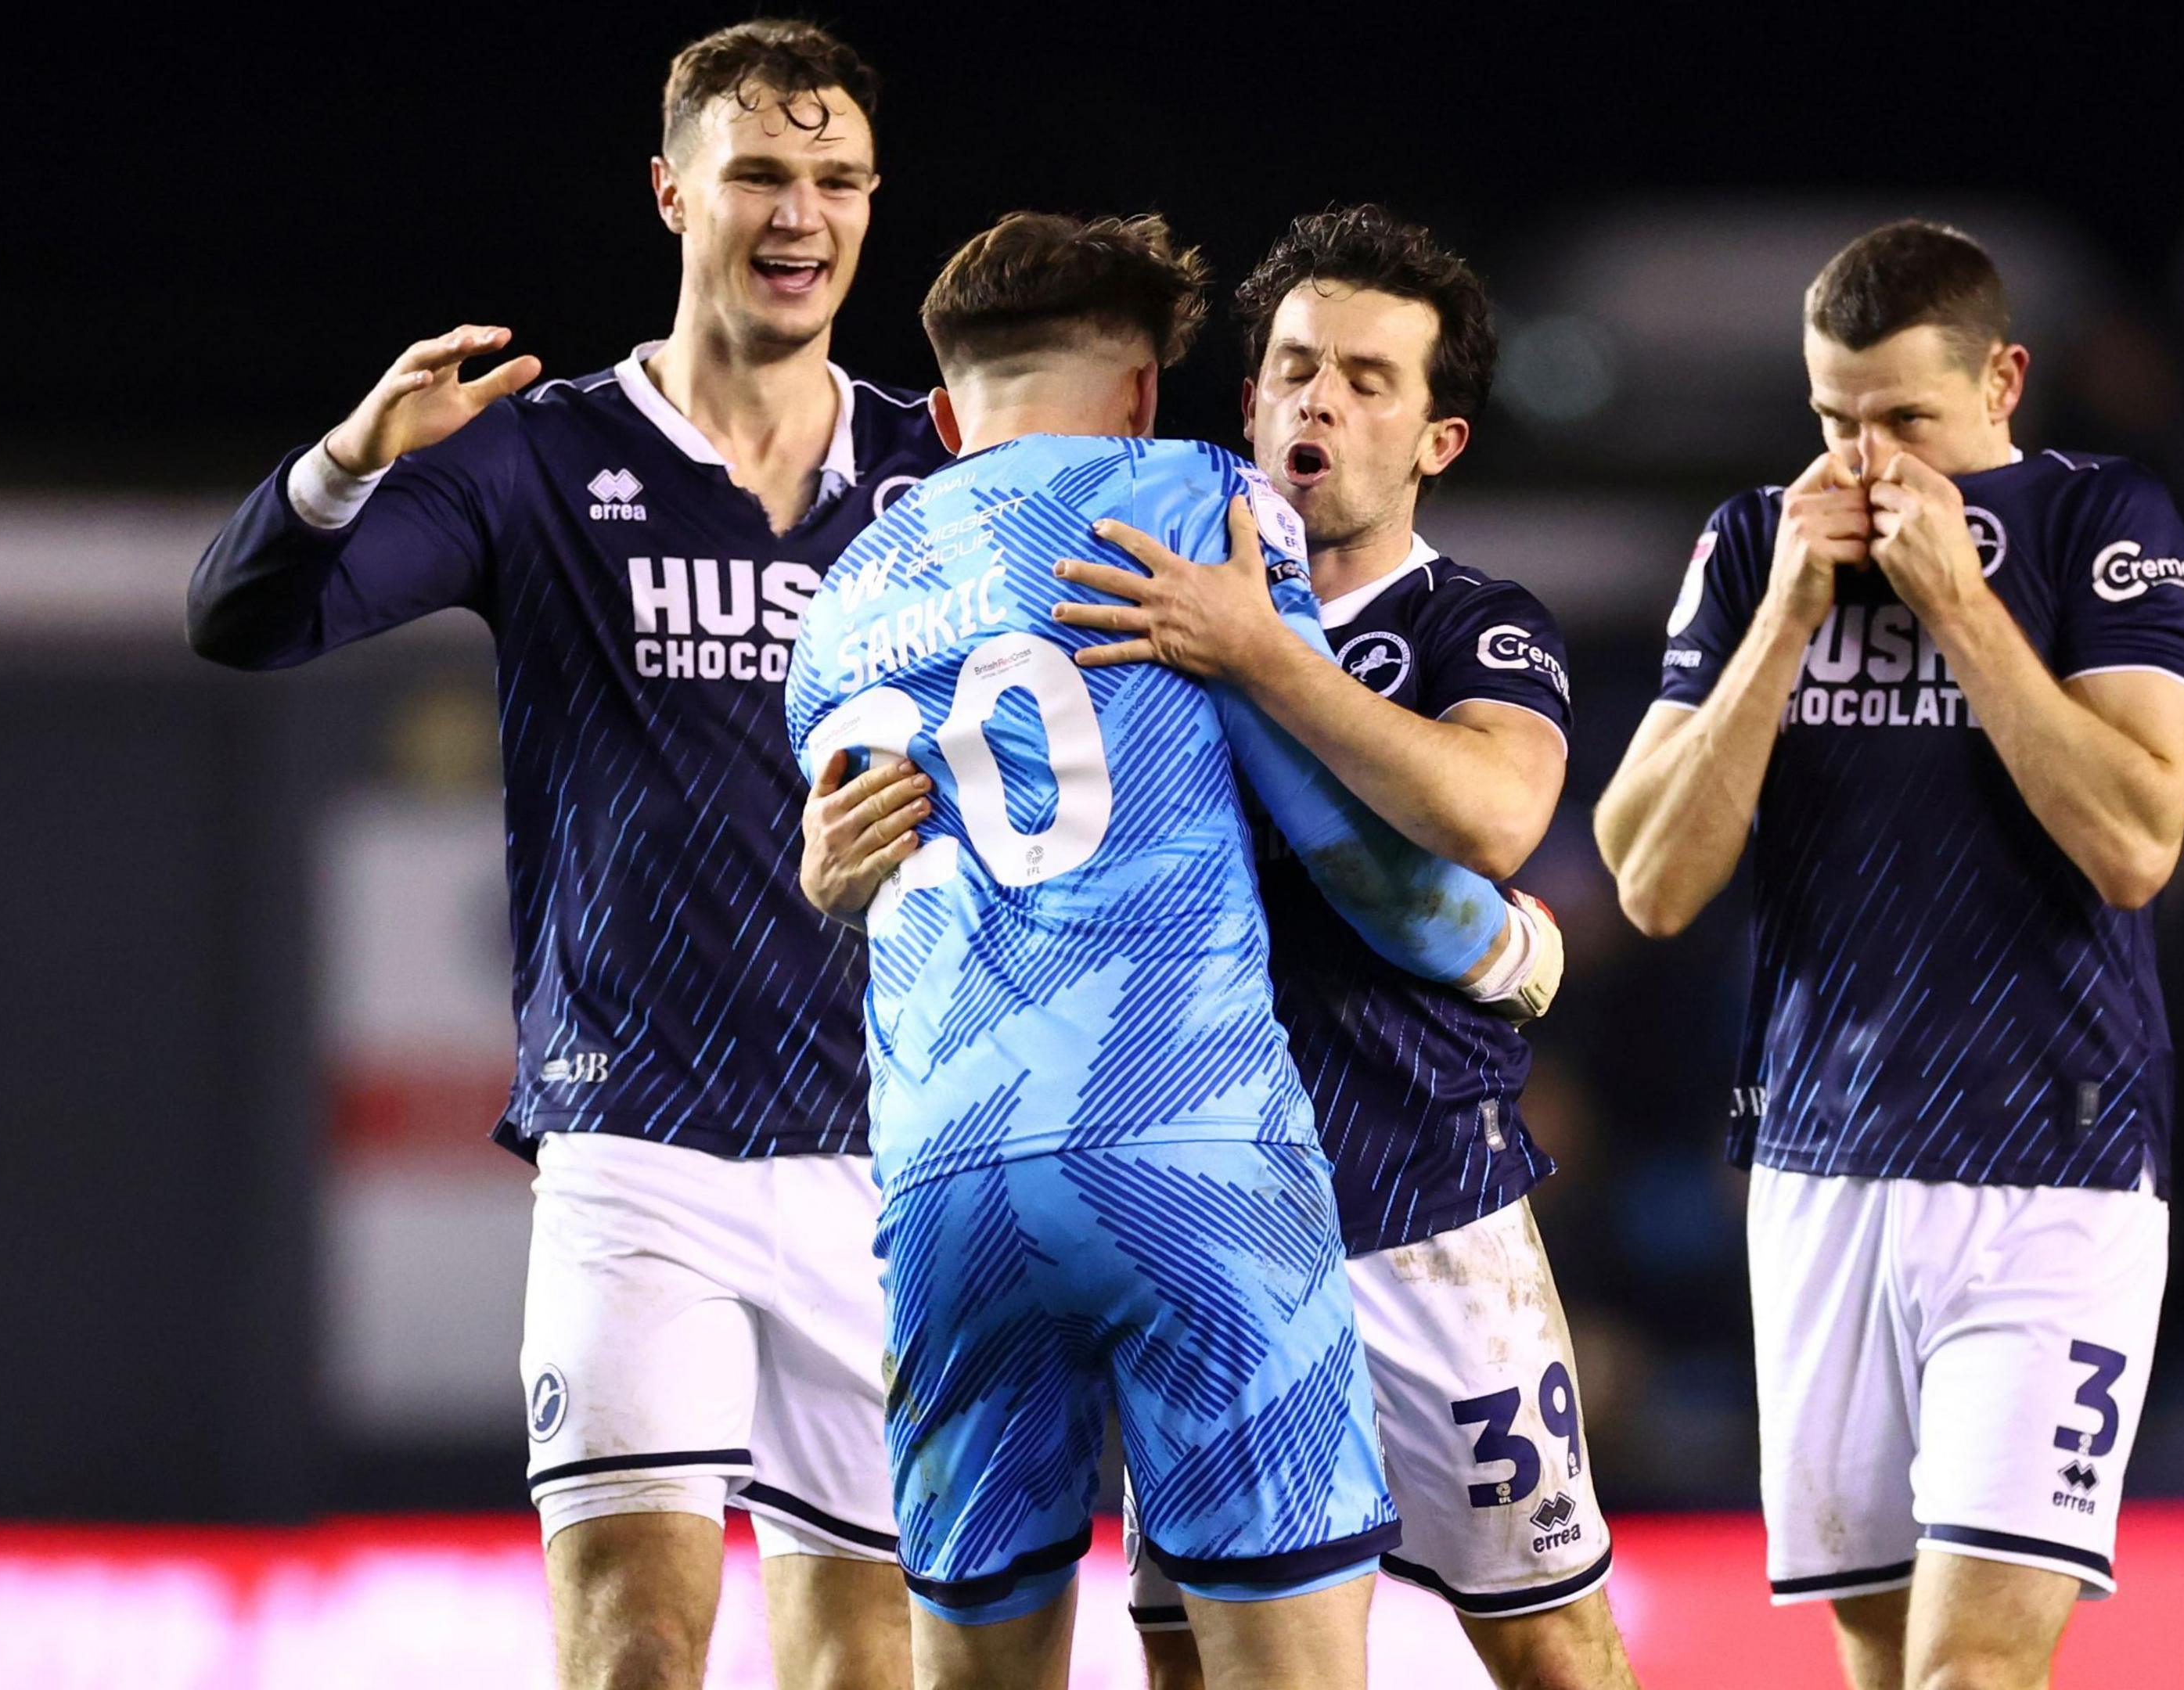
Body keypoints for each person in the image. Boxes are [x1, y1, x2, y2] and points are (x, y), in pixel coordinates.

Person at [184, 23, 938, 1689]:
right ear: (675, 195)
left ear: (874, 205)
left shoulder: (937, 477)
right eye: (759, 175)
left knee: (870, 1664)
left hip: (888, 1160)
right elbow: (243, 621)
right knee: (636, 1656)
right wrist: (350, 459)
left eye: (835, 179)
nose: (798, 214)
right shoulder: (544, 457)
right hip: (634, 1152)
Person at [783, 210, 1553, 1690]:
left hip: (944, 1182)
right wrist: (1509, 957)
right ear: (1147, 390)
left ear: (945, 411)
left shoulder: (848, 590)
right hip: (1188, 1155)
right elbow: (1360, 859)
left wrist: (825, 880)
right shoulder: (1196, 499)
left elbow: (856, 862)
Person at [1593, 220, 2184, 1690]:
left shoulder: (2100, 524)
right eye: (1833, 421)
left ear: (2002, 381)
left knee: (1974, 1666)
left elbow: (2136, 837)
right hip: (1820, 1168)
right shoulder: (1757, 546)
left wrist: (1956, 601)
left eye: (1903, 423)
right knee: (1881, 1660)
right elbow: (1650, 877)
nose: (1864, 466)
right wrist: (1788, 620)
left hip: (2055, 1163)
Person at [1039, 204, 1638, 1688]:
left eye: (1371, 379)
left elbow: (1493, 814)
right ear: (1245, 402)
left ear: (1439, 440)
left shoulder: (1476, 624)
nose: (1320, 398)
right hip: (1206, 1229)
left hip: (1423, 1215)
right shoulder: (1137, 606)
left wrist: (1260, 654)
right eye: (1295, 366)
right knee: (1191, 1665)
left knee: (1556, 1651)